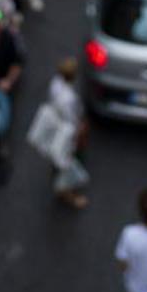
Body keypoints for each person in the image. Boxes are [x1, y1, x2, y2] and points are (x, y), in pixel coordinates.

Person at [45, 57, 89, 209]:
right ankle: (67, 193)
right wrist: (79, 130)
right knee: (67, 161)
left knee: (58, 156)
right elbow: (72, 119)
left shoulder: (55, 84)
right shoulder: (69, 98)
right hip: (66, 131)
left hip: (54, 124)